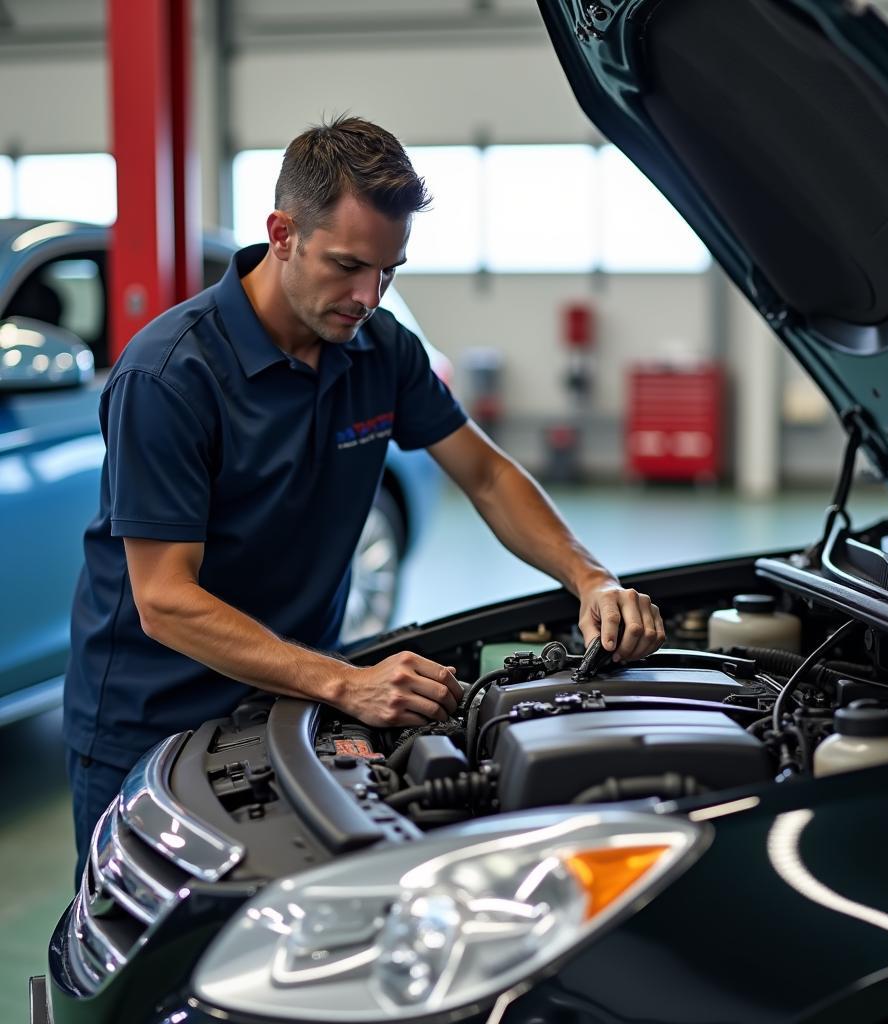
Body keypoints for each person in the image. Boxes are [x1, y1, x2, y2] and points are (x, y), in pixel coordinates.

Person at [63, 116, 666, 879]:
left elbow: (485, 474)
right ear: (282, 233)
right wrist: (346, 680)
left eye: (390, 271)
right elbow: (164, 599)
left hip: (291, 704)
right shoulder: (170, 378)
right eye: (347, 265)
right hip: (154, 723)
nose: (369, 295)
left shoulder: (379, 350)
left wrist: (590, 577)